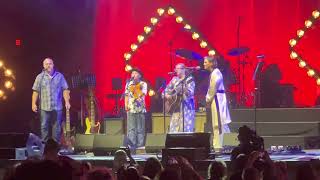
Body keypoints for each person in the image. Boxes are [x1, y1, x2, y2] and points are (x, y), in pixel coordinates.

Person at [32, 58, 71, 143]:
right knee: (44, 127)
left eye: (50, 64)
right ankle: (44, 147)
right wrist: (33, 104)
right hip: (44, 107)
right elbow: (35, 91)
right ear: (43, 66)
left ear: (53, 65)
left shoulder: (60, 76)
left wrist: (67, 101)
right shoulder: (40, 77)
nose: (48, 65)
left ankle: (55, 148)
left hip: (57, 107)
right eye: (46, 64)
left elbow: (65, 89)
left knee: (56, 128)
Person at [203, 56, 231, 149]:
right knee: (217, 122)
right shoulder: (214, 73)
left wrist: (208, 98)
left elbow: (213, 87)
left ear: (211, 63)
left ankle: (222, 144)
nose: (204, 64)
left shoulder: (216, 73)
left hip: (217, 99)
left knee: (219, 121)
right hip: (216, 98)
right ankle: (219, 143)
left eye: (206, 62)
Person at [163, 63, 195, 132]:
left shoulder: (189, 79)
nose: (175, 70)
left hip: (186, 108)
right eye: (175, 69)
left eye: (177, 68)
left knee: (185, 129)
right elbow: (164, 92)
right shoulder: (174, 79)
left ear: (183, 69)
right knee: (174, 129)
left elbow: (190, 93)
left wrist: (184, 89)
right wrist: (168, 96)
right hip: (175, 108)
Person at [124, 68, 147, 150]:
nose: (133, 75)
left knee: (140, 128)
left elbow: (141, 94)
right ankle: (131, 145)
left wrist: (133, 87)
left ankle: (140, 145)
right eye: (132, 73)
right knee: (131, 128)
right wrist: (125, 104)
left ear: (140, 75)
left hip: (140, 109)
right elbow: (126, 95)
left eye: (135, 73)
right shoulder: (128, 84)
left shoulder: (143, 84)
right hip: (131, 109)